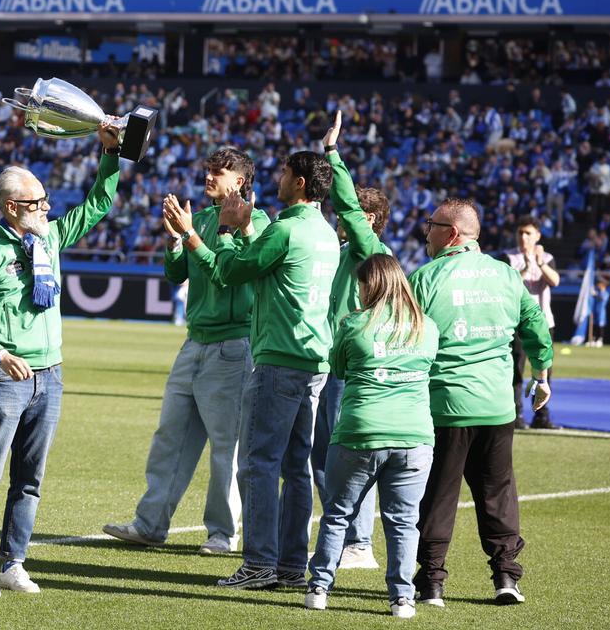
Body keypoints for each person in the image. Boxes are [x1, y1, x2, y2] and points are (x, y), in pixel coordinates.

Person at [0, 125, 121, 597]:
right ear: (11, 208)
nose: (47, 208)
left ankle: (13, 564)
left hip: (51, 375)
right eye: (37, 202)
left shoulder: (50, 240)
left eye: (45, 201)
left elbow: (98, 204)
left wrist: (109, 154)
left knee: (30, 480)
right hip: (7, 378)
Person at [102, 147, 271, 555]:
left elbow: (233, 276)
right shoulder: (204, 218)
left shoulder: (257, 221)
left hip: (233, 344)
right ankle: (149, 523)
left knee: (225, 446)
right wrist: (177, 240)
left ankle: (222, 533)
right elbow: (176, 273)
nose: (210, 175)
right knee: (170, 437)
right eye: (208, 168)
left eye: (220, 171)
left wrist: (191, 236)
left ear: (241, 181)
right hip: (195, 339)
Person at [410, 198, 553, 606]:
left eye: (431, 224)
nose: (426, 232)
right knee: (498, 494)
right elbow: (536, 328)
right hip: (496, 405)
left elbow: (405, 335)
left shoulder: (426, 277)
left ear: (451, 233)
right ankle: (506, 577)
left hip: (446, 405)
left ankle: (432, 582)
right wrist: (542, 376)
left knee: (438, 494)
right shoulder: (506, 275)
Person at [212, 151, 341, 590]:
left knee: (257, 464)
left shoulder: (286, 229)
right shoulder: (323, 232)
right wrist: (249, 229)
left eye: (286, 172)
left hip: (279, 359)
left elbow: (231, 271)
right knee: (296, 465)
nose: (279, 178)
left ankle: (259, 563)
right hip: (314, 361)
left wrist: (229, 229)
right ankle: (289, 566)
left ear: (300, 182)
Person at [305, 254, 439, 619]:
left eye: (362, 285)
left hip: (359, 433)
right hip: (413, 438)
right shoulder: (427, 327)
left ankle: (318, 588)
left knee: (337, 514)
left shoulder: (354, 325)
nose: (359, 292)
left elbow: (339, 367)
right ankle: (402, 598)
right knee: (403, 521)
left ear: (371, 285)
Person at [313, 112, 393, 570]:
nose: (341, 218)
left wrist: (332, 153)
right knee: (324, 458)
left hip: (349, 365)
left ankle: (359, 542)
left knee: (347, 456)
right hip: (330, 360)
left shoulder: (371, 252)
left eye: (352, 213)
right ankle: (345, 537)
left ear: (370, 220)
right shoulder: (346, 251)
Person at [505, 217, 559, 428]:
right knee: (516, 370)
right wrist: (526, 268)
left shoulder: (547, 257)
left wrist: (539, 263)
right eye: (520, 232)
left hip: (544, 322)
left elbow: (555, 281)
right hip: (517, 322)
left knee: (544, 370)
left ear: (538, 236)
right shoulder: (509, 257)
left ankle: (541, 416)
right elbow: (507, 286)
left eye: (528, 233)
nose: (523, 237)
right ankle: (516, 415)